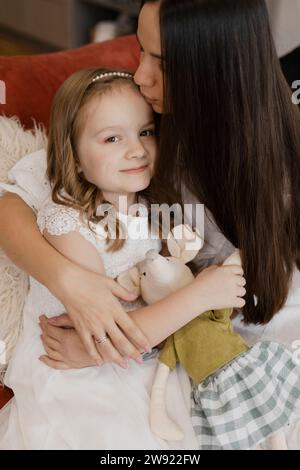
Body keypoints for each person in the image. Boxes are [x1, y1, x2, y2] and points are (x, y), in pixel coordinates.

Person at [0, 0, 299, 379]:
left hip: (232, 348)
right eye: (142, 50)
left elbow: (223, 310)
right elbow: (15, 201)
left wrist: (103, 348)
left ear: (216, 67)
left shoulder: (278, 177)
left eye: (164, 63)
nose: (140, 76)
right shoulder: (144, 119)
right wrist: (71, 282)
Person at [0, 68, 245, 449]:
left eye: (145, 132)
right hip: (82, 375)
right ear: (75, 156)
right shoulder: (66, 222)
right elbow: (107, 340)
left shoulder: (148, 208)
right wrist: (201, 295)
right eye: (112, 138)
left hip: (141, 355)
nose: (136, 149)